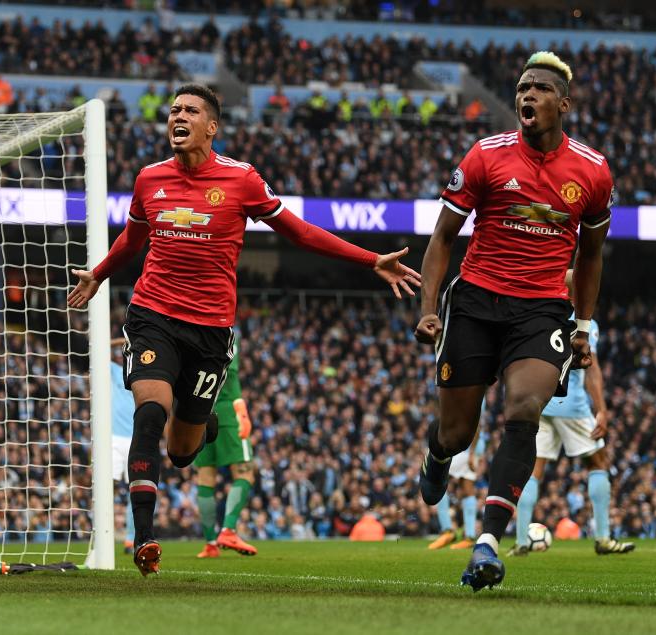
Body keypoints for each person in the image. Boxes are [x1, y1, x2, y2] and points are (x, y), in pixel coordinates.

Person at [67, 83, 420, 576]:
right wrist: (99, 273)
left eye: (190, 110)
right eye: (173, 111)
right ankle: (144, 539)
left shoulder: (241, 180)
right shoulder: (150, 179)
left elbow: (298, 231)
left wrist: (370, 260)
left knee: (183, 450)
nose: (178, 117)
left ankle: (201, 421)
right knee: (149, 414)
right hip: (152, 315)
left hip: (210, 330)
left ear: (211, 126)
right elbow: (133, 238)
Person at [413, 52, 613, 592]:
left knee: (523, 410)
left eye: (540, 89)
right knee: (457, 433)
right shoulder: (485, 156)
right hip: (477, 303)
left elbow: (591, 256)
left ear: (562, 104)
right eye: (522, 87)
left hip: (542, 308)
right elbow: (441, 238)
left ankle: (488, 542)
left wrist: (583, 325)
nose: (527, 95)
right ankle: (436, 455)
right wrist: (429, 307)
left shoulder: (592, 170)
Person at [511, 271, 634, 556]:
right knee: (598, 461)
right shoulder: (585, 326)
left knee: (533, 470)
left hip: (539, 403)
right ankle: (603, 539)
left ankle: (520, 541)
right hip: (572, 405)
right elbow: (593, 371)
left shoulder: (541, 319)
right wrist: (601, 410)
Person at [194, 331, 257, 558]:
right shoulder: (226, 331)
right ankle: (228, 530)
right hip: (227, 412)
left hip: (198, 411)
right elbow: (229, 373)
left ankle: (210, 543)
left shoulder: (188, 332)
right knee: (245, 472)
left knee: (206, 476)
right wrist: (241, 410)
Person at [428, 423, 486, 551]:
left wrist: (471, 452)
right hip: (473, 442)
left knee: (438, 477)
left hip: (464, 443)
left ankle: (447, 530)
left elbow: (475, 422)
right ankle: (469, 537)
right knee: (467, 490)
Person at [110, 338, 136, 553]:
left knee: (135, 490)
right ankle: (102, 534)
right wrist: (125, 338)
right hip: (113, 438)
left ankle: (131, 538)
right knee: (105, 486)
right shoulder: (113, 370)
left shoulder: (143, 373)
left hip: (136, 438)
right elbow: (96, 346)